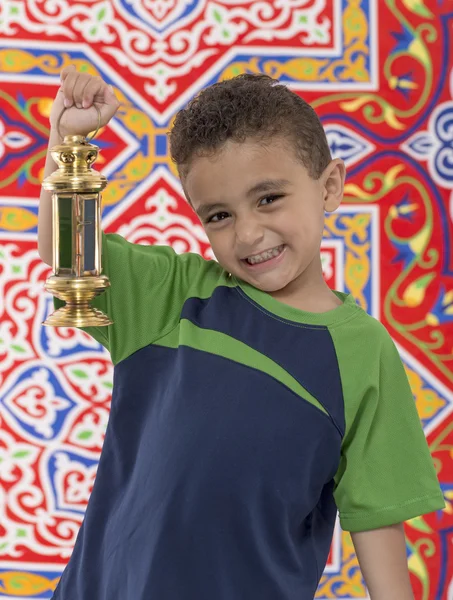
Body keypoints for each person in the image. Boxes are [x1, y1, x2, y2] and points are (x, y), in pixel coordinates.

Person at [38, 65, 445, 600]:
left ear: (330, 187)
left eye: (269, 198)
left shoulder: (361, 350)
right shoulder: (173, 297)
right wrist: (67, 145)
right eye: (219, 215)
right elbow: (68, 252)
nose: (248, 232)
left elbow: (376, 517)